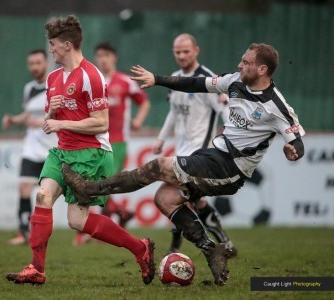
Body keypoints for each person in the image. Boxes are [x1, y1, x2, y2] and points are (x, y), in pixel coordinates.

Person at [61, 43, 305, 286]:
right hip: (213, 155)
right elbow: (196, 84)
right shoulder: (235, 81)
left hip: (231, 169)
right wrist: (156, 79)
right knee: (164, 199)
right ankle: (211, 249)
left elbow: (296, 140)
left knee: (157, 167)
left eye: (246, 62)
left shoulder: (276, 105)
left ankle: (89, 189)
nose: (240, 65)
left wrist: (293, 151)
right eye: (241, 60)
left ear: (262, 69)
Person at [6, 15, 155, 286]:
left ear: (66, 45)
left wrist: (60, 120)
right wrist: (52, 110)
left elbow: (102, 122)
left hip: (91, 153)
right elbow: (49, 119)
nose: (50, 49)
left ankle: (140, 248)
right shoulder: (52, 78)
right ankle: (36, 268)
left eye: (52, 44)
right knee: (42, 196)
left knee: (77, 220)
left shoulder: (92, 76)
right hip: (61, 151)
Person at [154, 33, 236, 256]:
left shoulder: (208, 80)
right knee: (194, 202)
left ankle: (176, 248)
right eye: (178, 52)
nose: (181, 56)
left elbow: (224, 110)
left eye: (186, 51)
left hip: (200, 154)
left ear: (196, 51)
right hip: (182, 150)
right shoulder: (175, 77)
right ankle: (224, 242)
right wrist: (161, 138)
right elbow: (173, 112)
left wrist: (231, 141)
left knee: (171, 197)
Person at [74, 42, 151, 245]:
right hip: (93, 141)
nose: (103, 59)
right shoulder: (91, 82)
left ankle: (97, 228)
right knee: (94, 185)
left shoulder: (125, 81)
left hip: (117, 143)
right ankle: (121, 215)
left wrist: (138, 121)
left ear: (114, 57)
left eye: (107, 54)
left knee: (104, 185)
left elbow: (144, 101)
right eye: (99, 55)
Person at [2, 49, 58, 245]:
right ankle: (23, 233)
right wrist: (13, 119)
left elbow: (62, 113)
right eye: (31, 63)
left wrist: (43, 120)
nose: (34, 67)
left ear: (46, 63)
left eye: (38, 63)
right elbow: (27, 115)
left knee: (47, 194)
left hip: (52, 149)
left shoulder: (55, 86)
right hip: (31, 148)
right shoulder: (29, 88)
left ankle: (43, 232)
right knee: (24, 188)